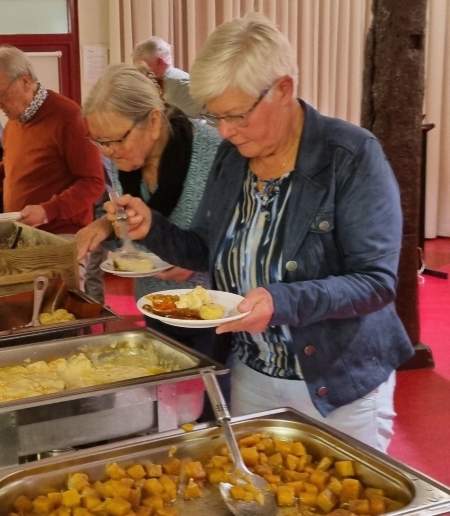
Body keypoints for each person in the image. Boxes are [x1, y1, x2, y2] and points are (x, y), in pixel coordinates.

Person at [88, 13, 414, 452]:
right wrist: (153, 229)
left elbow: (376, 282)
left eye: (236, 114)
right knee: (252, 484)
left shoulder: (350, 156)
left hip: (338, 384)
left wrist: (283, 301)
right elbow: (205, 249)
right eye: (215, 115)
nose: (224, 130)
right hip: (252, 369)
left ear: (283, 90)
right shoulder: (233, 158)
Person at [75, 64, 225, 419]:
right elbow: (123, 220)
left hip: (215, 315)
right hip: (155, 303)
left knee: (211, 416)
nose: (108, 152)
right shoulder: (122, 158)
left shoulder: (214, 153)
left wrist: (196, 262)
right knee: (168, 414)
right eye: (100, 142)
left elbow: (236, 238)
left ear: (154, 121)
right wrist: (106, 225)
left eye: (116, 140)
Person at [0, 45, 104, 236]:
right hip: (23, 234)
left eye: (0, 95)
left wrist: (47, 211)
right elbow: (12, 168)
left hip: (62, 236)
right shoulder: (13, 123)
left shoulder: (69, 117)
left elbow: (93, 182)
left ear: (25, 81)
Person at [133, 36, 204, 120]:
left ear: (160, 62)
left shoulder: (179, 85)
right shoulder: (165, 84)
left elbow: (207, 120)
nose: (139, 72)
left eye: (142, 66)